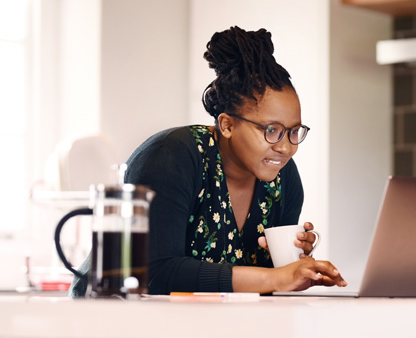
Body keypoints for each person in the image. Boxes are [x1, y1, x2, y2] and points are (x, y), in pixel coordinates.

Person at [69, 26, 346, 296]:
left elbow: (264, 288)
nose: (286, 148)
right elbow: (155, 273)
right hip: (106, 320)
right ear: (227, 125)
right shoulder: (171, 157)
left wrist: (290, 265)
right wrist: (274, 277)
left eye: (294, 132)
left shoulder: (284, 179)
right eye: (271, 131)